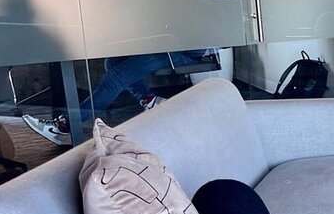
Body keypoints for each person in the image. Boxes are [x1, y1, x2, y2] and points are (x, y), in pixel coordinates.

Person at [22, 49, 213, 146]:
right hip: (171, 42)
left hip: (187, 50)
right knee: (112, 62)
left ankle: (64, 126)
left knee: (116, 78)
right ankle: (150, 101)